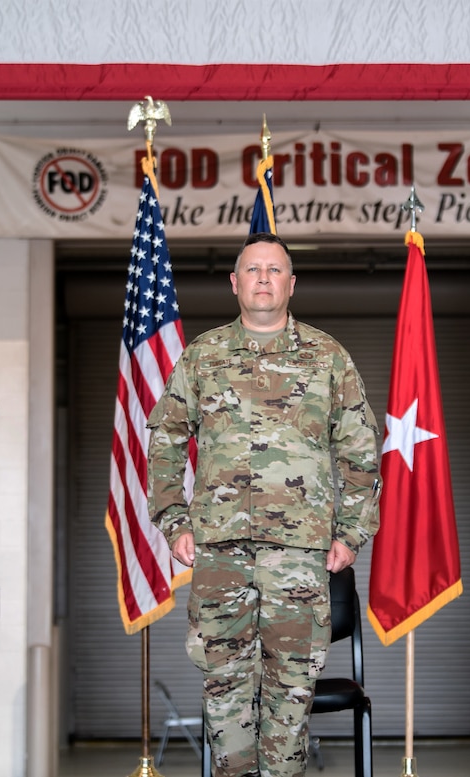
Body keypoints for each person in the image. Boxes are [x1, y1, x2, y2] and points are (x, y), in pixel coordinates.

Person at [148, 232, 381, 777]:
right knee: (224, 692)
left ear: (291, 283)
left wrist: (351, 534)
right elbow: (163, 444)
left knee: (291, 694)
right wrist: (173, 521)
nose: (262, 278)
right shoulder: (202, 357)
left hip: (299, 555)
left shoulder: (328, 357)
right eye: (252, 269)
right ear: (234, 283)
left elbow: (361, 452)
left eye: (274, 270)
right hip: (219, 554)